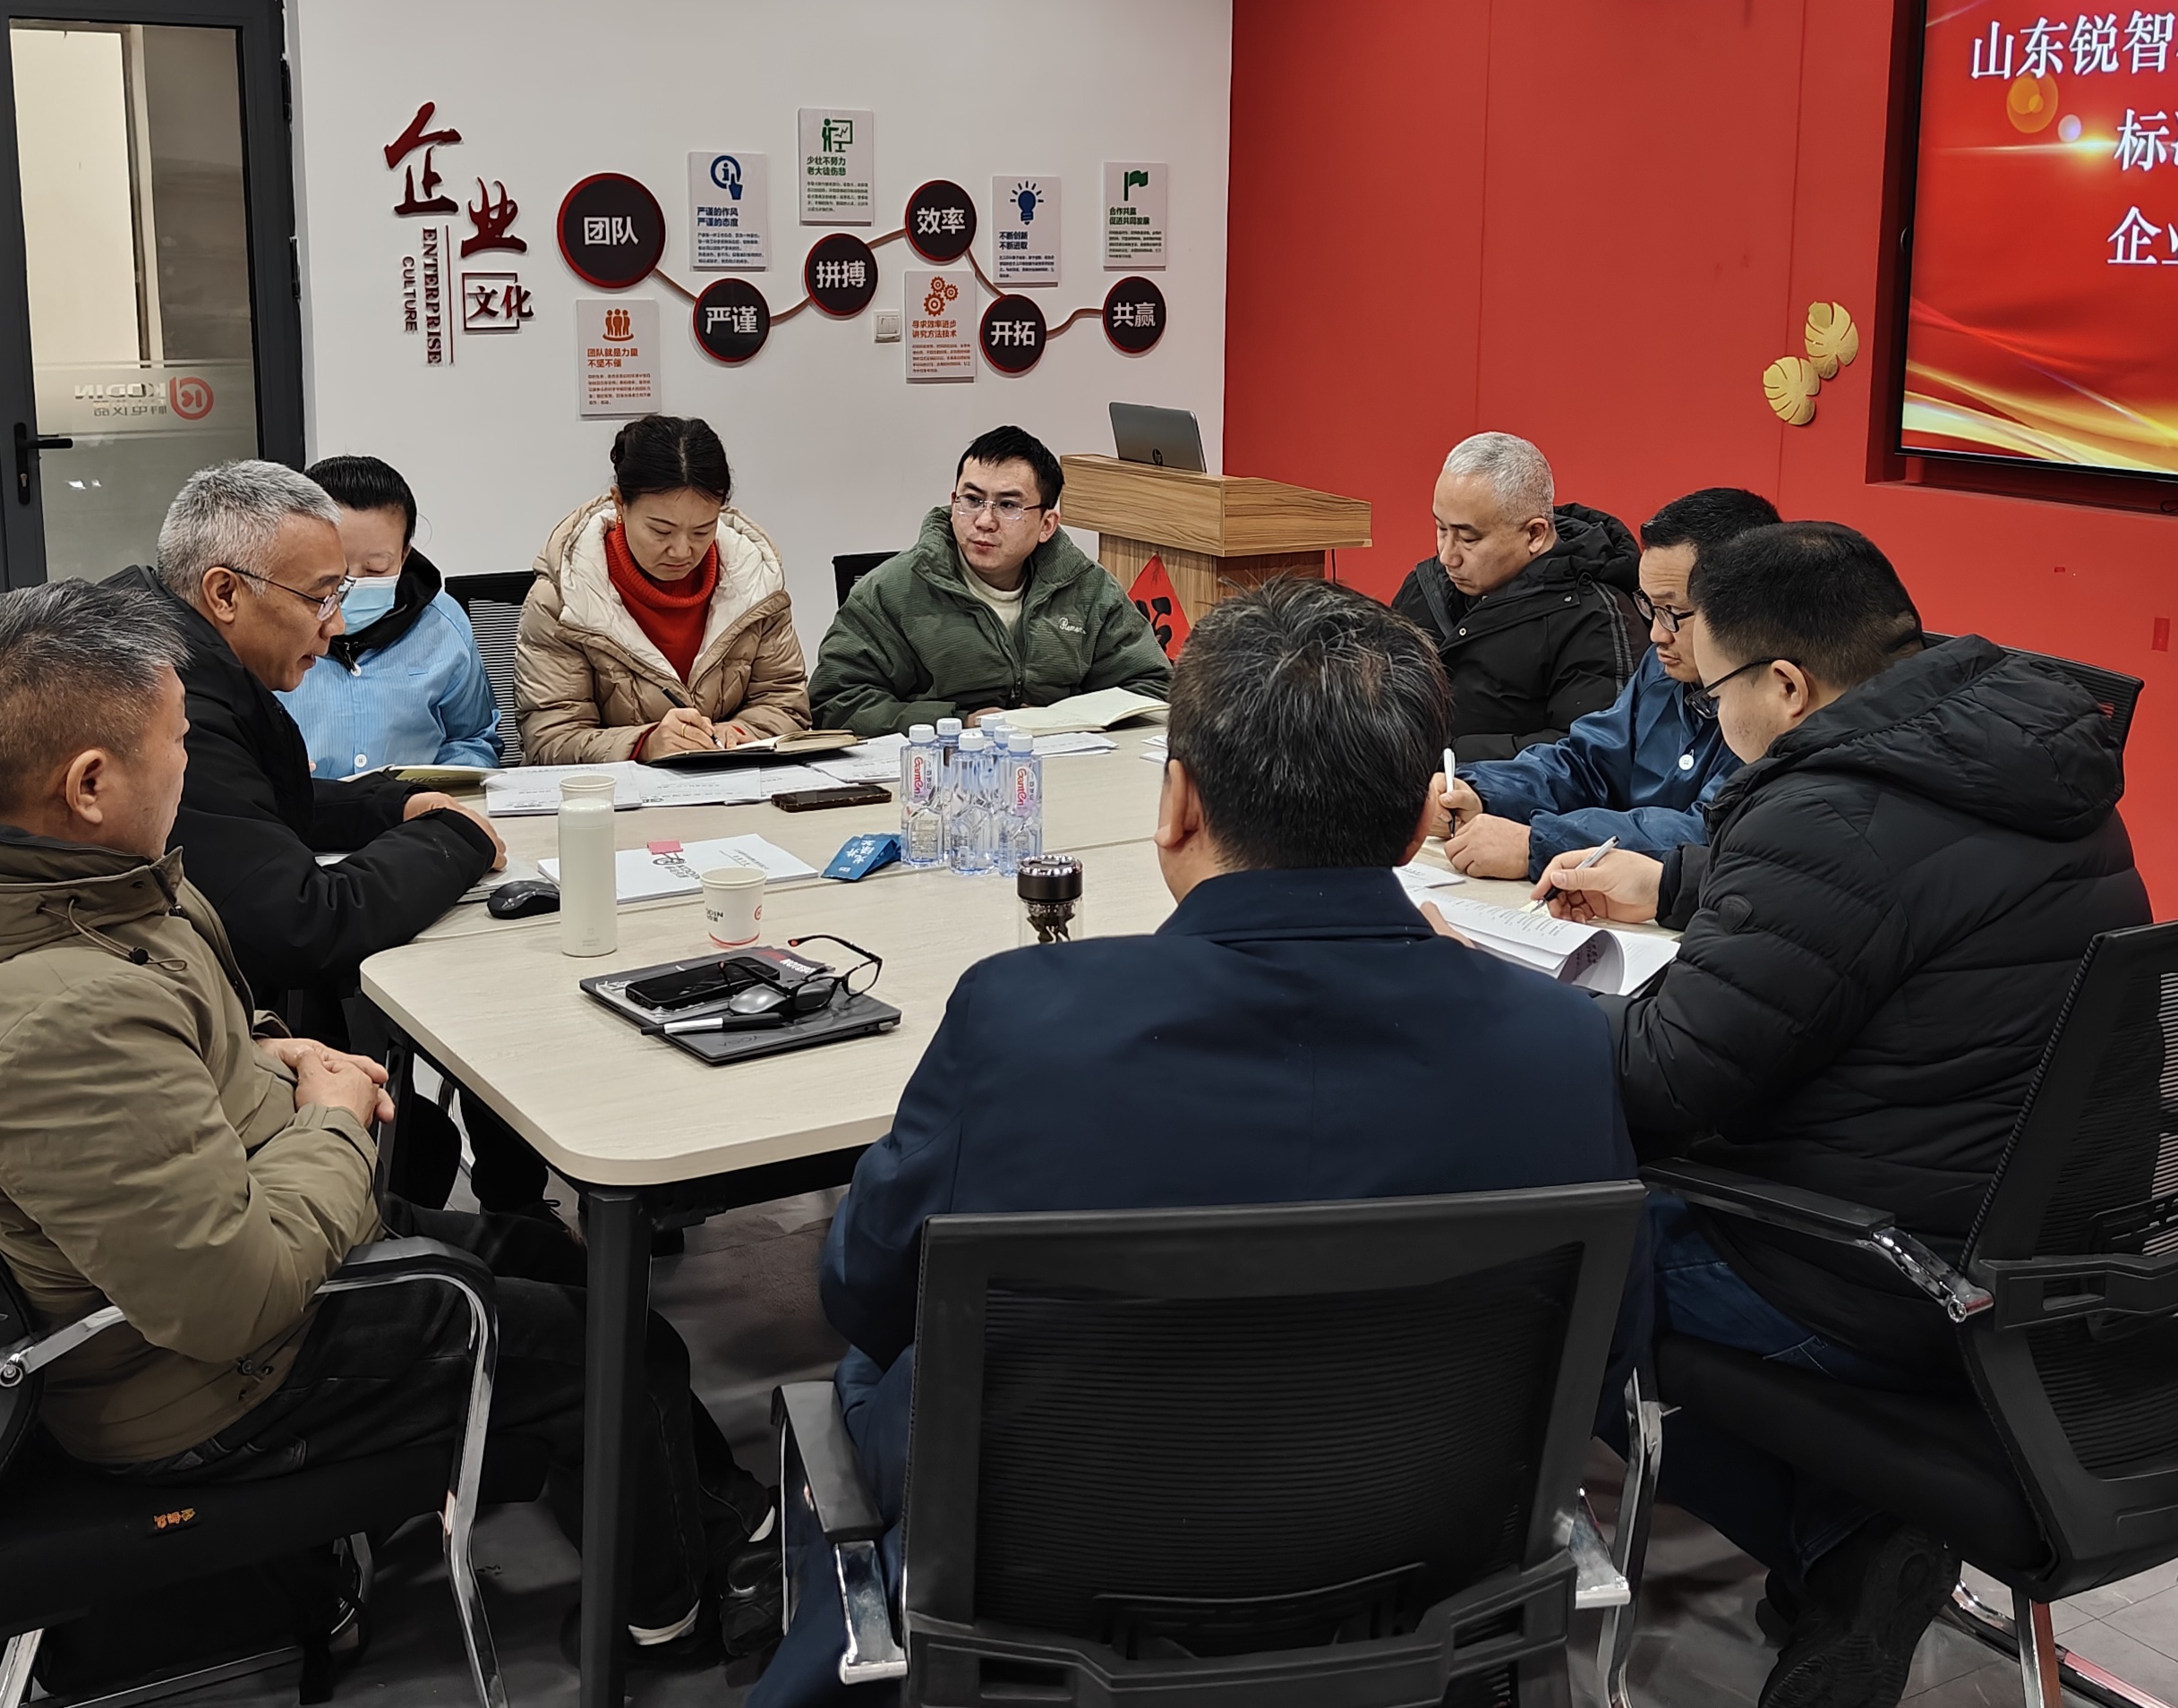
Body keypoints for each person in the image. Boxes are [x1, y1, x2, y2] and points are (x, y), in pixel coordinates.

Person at [0, 579, 773, 1671]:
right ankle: (669, 1617)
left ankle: (686, 1521)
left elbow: (160, 1016)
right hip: (214, 1373)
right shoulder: (51, 1018)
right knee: (614, 1347)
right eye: (179, 744)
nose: (192, 767)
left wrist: (266, 1053)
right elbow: (233, 1300)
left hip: (214, 1216)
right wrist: (335, 1117)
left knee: (560, 1263)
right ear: (91, 783)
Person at [754, 578, 1639, 1708]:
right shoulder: (1560, 1041)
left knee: (874, 1372)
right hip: (1419, 1566)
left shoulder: (1024, 1019)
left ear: (1175, 803)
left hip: (1052, 1576)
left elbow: (866, 1292)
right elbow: (1600, 1353)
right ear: (1422, 820)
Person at [1533, 522, 2148, 1708]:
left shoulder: (1829, 810)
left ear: (1785, 685)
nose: (1708, 712)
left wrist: (1512, 1008)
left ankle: (1849, 1535)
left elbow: (1661, 1081)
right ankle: (1864, 1529)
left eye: (1711, 688)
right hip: (2048, 1247)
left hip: (1879, 1269)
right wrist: (1681, 882)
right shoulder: (2020, 750)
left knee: (1557, 1254)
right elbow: (1912, 894)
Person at [106, 462, 542, 1229]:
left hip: (178, 1021)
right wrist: (452, 841)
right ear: (224, 594)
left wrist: (390, 804)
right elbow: (303, 923)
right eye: (321, 597)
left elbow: (260, 805)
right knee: (419, 1141)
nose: (336, 625)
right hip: (186, 1088)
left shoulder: (162, 645)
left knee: (421, 1138)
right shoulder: (169, 703)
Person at [1430, 486, 1781, 878]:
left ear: (1740, 608)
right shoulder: (1663, 668)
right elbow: (1588, 762)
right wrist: (1481, 791)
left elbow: (1710, 833)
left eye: (1673, 611)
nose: (1656, 635)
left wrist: (1541, 843)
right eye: (1650, 607)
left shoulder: (1779, 702)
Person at [807, 424, 1171, 735]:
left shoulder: (1088, 590)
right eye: (972, 500)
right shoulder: (892, 590)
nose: (984, 521)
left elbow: (1153, 686)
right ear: (953, 504)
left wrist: (1065, 720)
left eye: (1008, 506)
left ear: (1046, 525)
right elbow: (836, 702)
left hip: (1066, 761)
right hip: (942, 765)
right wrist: (959, 722)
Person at [516, 414, 812, 764]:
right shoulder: (565, 598)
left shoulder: (757, 583)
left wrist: (741, 733)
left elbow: (785, 704)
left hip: (736, 785)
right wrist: (644, 744)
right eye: (661, 531)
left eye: (702, 531)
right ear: (619, 503)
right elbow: (549, 740)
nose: (682, 551)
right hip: (617, 795)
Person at [1392, 431, 1643, 762]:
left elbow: (1590, 756)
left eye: (1467, 539)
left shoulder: (1598, 619)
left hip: (1494, 793)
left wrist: (1444, 758)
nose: (1447, 556)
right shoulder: (1425, 585)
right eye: (1441, 529)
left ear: (1535, 534)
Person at [279, 455, 500, 777]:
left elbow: (474, 739)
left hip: (416, 805)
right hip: (302, 806)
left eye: (376, 568)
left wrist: (434, 790)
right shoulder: (268, 628)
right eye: (336, 569)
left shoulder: (442, 624)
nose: (352, 583)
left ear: (404, 554)